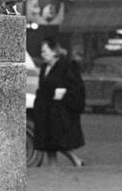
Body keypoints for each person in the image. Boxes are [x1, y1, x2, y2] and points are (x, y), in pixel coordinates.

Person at [31, 36, 86, 167]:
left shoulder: (66, 66)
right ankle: (57, 167)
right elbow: (42, 88)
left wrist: (64, 94)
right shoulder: (44, 68)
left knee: (58, 141)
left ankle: (73, 161)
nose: (42, 54)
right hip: (46, 111)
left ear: (54, 51)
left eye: (45, 51)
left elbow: (77, 87)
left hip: (61, 112)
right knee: (50, 144)